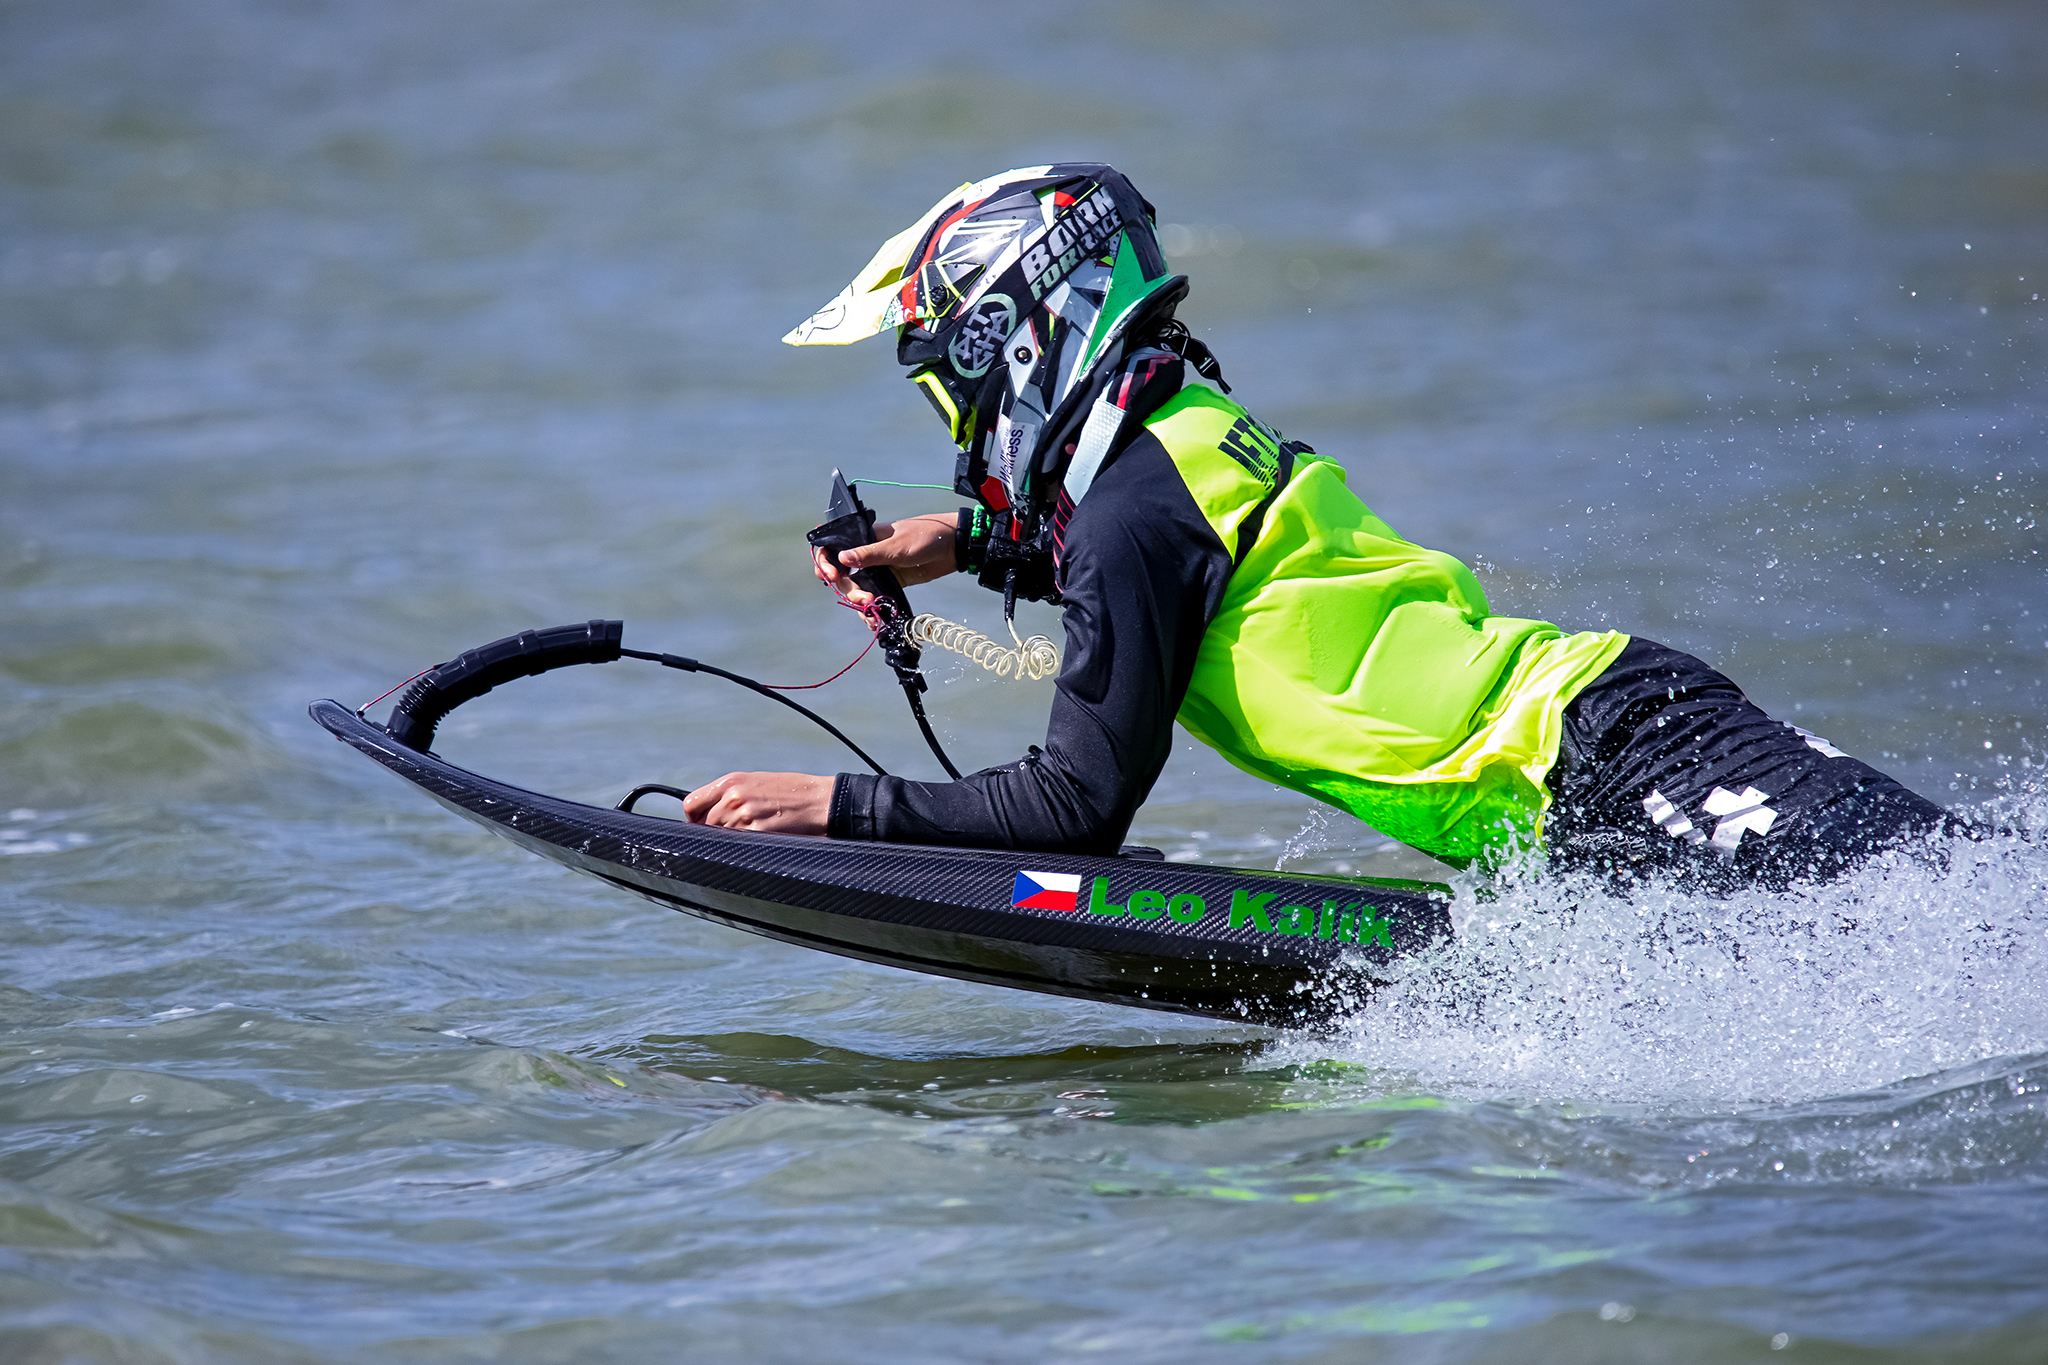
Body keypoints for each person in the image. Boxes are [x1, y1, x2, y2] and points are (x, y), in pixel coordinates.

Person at [682, 163, 1954, 890]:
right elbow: (1184, 566)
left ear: (1018, 336)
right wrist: (966, 543)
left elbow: (1070, 810)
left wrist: (837, 806)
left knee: (1951, 921)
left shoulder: (1128, 516)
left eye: (939, 375)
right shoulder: (1178, 426)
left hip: (1608, 759)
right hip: (1603, 743)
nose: (950, 412)